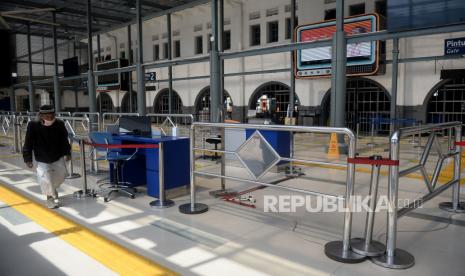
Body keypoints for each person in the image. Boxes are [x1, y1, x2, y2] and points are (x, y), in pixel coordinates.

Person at [23, 105, 71, 209]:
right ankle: (50, 198)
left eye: (51, 116)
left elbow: (64, 140)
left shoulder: (59, 124)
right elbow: (28, 142)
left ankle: (53, 189)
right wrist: (27, 159)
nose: (50, 119)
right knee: (45, 178)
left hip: (57, 155)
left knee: (61, 175)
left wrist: (67, 153)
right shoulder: (33, 125)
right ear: (41, 116)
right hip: (42, 156)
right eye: (47, 116)